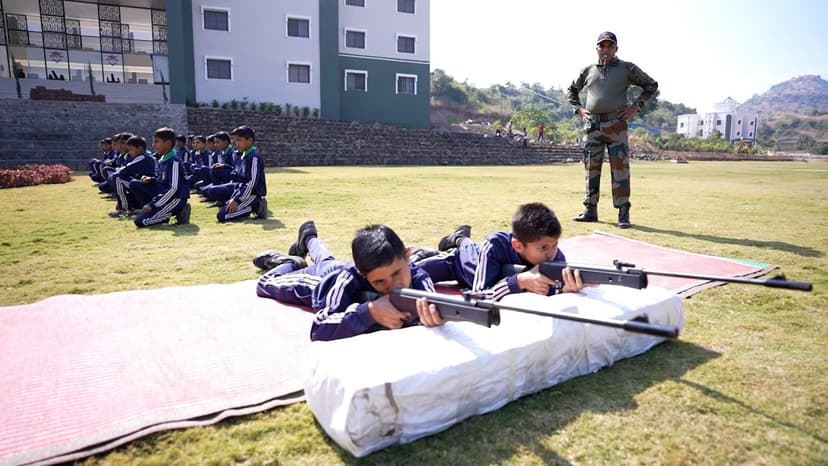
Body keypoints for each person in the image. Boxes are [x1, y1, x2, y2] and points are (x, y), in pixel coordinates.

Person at [255, 222, 445, 341]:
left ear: (408, 257)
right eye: (379, 282)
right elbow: (320, 328)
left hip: (339, 267)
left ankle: (309, 239)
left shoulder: (419, 277)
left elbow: (434, 305)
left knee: (326, 260)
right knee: (266, 283)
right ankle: (290, 262)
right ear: (362, 274)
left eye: (397, 273)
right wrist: (368, 313)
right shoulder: (348, 278)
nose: (392, 285)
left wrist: (432, 317)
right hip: (320, 281)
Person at [567, 31, 658, 229]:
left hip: (616, 125)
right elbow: (572, 90)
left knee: (620, 169)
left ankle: (623, 213)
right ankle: (590, 210)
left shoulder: (626, 68)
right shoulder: (588, 70)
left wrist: (636, 107)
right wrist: (579, 109)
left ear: (616, 48)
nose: (605, 49)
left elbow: (651, 85)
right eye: (602, 46)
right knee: (591, 168)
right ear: (597, 48)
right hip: (592, 126)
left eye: (610, 46)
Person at [472, 202, 584, 301]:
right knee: (464, 247)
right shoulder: (494, 245)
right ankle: (459, 239)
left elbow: (551, 291)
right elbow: (478, 296)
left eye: (555, 245)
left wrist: (564, 289)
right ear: (518, 246)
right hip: (462, 260)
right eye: (543, 247)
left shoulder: (556, 257)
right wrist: (519, 281)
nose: (551, 254)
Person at [133, 127, 191, 227]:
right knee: (135, 184)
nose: (153, 145)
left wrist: (153, 205)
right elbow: (163, 180)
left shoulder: (174, 162)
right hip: (163, 197)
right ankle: (158, 212)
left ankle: (180, 211)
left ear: (168, 143)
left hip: (175, 199)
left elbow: (173, 188)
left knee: (141, 221)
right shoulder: (163, 159)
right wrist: (151, 179)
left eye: (156, 142)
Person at [216, 126, 267, 222]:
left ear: (249, 140)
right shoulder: (243, 154)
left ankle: (256, 207)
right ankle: (249, 206)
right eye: (235, 140)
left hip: (252, 194)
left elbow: (252, 183)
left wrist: (237, 200)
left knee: (222, 216)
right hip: (241, 190)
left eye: (239, 140)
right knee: (216, 194)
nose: (236, 143)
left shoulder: (254, 157)